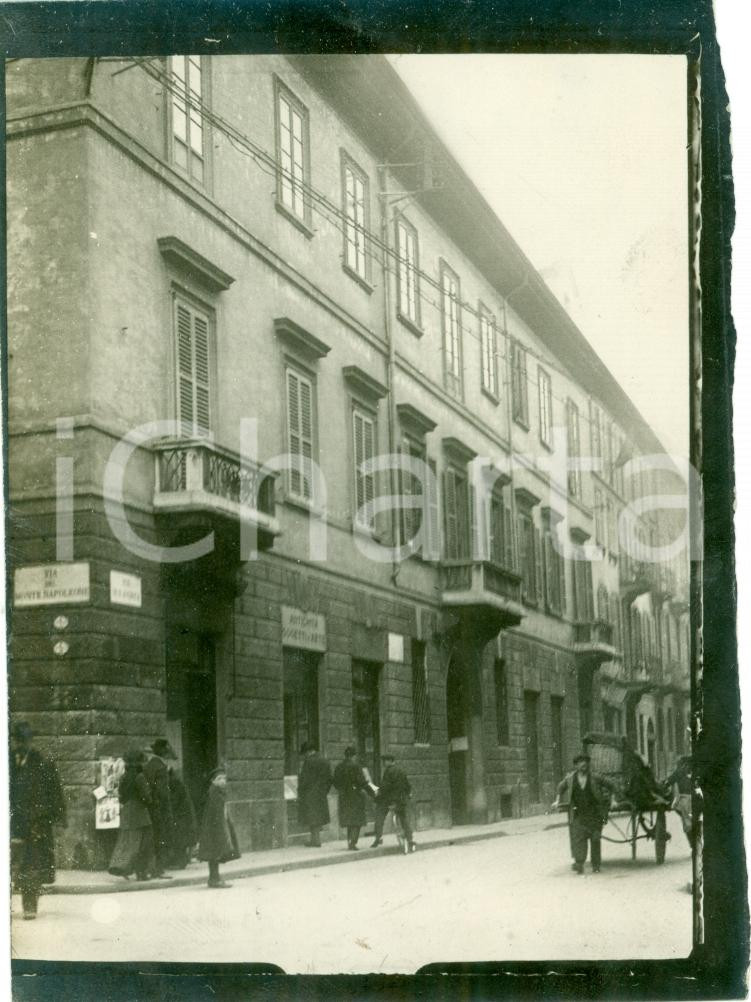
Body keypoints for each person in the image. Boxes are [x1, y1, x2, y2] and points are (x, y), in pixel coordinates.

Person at [9, 721, 67, 919]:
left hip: (35, 823)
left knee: (31, 866)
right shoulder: (7, 761)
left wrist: (57, 818)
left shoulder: (42, 763)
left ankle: (29, 906)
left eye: (25, 740)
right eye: (18, 740)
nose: (22, 744)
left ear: (30, 741)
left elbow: (55, 792)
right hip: (12, 822)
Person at [554, 752, 614, 874]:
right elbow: (560, 787)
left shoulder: (595, 777)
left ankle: (596, 865)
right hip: (578, 814)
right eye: (580, 762)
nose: (584, 764)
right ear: (576, 765)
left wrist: (614, 801)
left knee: (595, 839)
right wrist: (557, 800)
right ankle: (579, 863)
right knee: (578, 839)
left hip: (595, 814)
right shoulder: (570, 779)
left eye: (585, 762)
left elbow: (611, 785)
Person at [108, 749, 156, 881]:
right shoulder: (140, 777)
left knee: (127, 842)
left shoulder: (124, 777)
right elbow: (146, 797)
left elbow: (122, 797)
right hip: (140, 813)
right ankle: (141, 873)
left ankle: (120, 866)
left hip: (127, 812)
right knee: (144, 844)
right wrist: (149, 799)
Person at [198, 765, 240, 888]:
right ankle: (214, 879)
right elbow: (217, 814)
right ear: (213, 781)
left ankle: (214, 878)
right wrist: (223, 831)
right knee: (215, 852)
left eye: (224, 778)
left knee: (214, 853)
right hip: (215, 828)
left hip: (214, 827)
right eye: (219, 778)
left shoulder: (218, 792)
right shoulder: (215, 793)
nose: (223, 781)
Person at [143, 738, 176, 877]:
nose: (168, 754)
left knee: (154, 837)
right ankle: (159, 870)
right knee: (161, 837)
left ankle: (152, 868)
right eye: (166, 751)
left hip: (152, 807)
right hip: (160, 808)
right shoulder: (160, 766)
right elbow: (162, 791)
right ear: (162, 751)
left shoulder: (151, 764)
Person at [372, 753, 415, 851]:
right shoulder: (401, 770)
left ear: (390, 761)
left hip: (388, 800)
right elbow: (407, 785)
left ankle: (378, 838)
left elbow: (385, 787)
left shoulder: (388, 771)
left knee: (379, 816)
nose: (383, 763)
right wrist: (408, 794)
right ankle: (410, 839)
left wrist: (378, 793)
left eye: (385, 761)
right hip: (400, 800)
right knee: (404, 819)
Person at [333, 746, 372, 850]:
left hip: (344, 796)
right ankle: (353, 842)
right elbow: (362, 782)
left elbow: (335, 782)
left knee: (349, 820)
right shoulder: (356, 766)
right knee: (357, 820)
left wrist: (342, 789)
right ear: (354, 756)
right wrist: (372, 791)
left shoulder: (339, 767)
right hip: (356, 795)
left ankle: (349, 841)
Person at [297, 741, 332, 847]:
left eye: (305, 753)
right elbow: (330, 779)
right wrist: (324, 791)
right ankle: (316, 840)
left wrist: (300, 791)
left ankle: (315, 841)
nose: (304, 756)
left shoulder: (309, 761)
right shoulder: (325, 761)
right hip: (321, 794)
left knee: (312, 817)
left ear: (309, 751)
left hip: (309, 794)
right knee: (317, 817)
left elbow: (304, 779)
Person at [168, 766, 198, 869]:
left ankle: (180, 863)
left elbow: (175, 800)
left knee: (179, 839)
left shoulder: (174, 782)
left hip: (181, 815)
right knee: (180, 839)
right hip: (183, 814)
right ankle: (181, 861)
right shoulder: (175, 780)